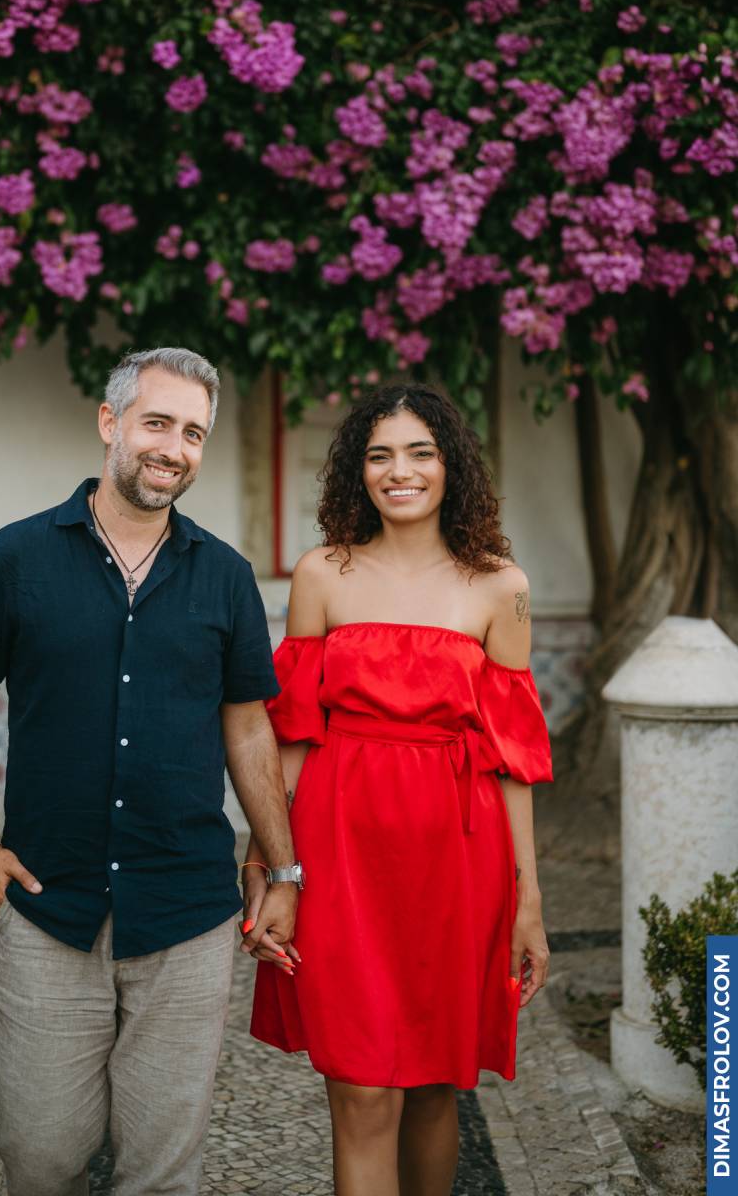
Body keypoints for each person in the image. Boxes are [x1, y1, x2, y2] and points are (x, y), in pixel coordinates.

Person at [0, 347, 302, 1196]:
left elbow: (250, 729)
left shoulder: (225, 576)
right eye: (157, 423)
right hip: (47, 906)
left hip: (187, 913)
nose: (173, 447)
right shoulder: (14, 557)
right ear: (111, 424)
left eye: (193, 433)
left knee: (162, 1171)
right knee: (40, 1157)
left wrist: (280, 867)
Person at [244, 382, 553, 1196]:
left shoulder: (502, 587)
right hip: (341, 849)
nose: (399, 471)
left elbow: (512, 758)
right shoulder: (322, 575)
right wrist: (272, 870)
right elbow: (293, 737)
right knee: (359, 1084)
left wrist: (528, 903)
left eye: (420, 452)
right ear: (357, 471)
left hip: (459, 856)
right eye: (379, 454)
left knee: (432, 1085)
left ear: (452, 466)